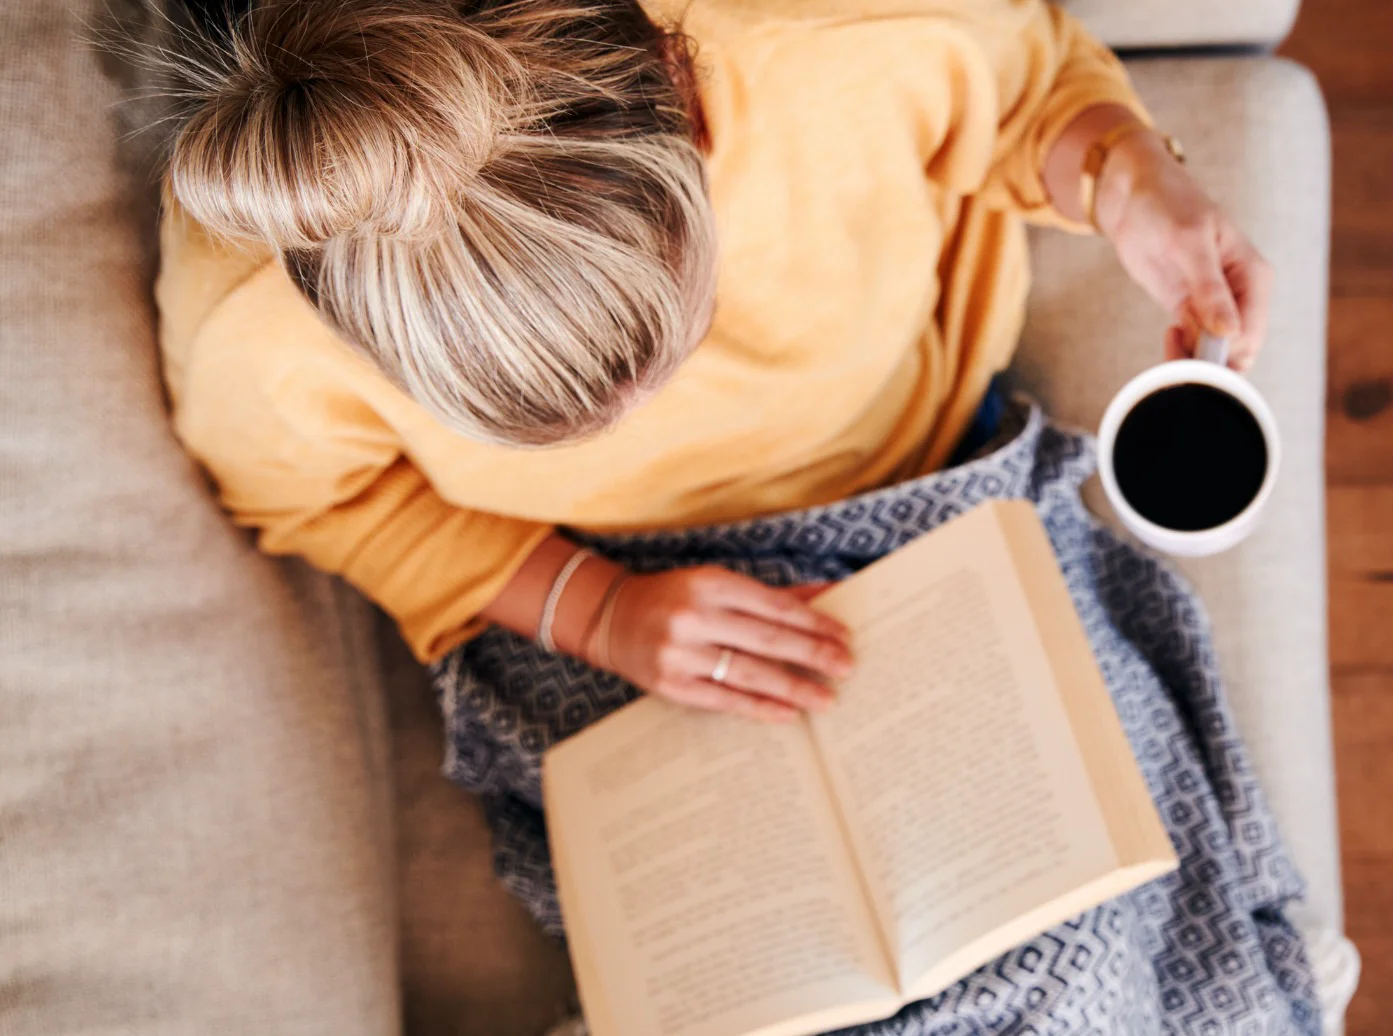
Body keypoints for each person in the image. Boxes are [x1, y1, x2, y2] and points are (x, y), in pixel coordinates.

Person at [157, 2, 1315, 1033]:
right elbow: (308, 495)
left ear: (686, 80)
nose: (640, 415)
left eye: (682, 327)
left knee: (1091, 932)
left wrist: (1124, 172)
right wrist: (598, 609)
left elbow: (1025, 91)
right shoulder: (259, 307)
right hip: (599, 607)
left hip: (924, 503)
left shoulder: (831, 33)